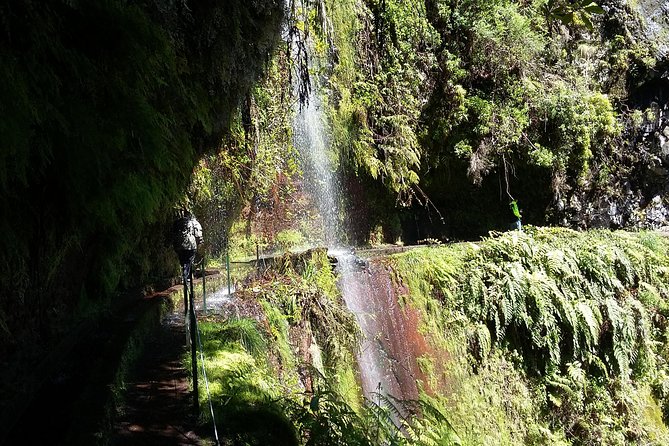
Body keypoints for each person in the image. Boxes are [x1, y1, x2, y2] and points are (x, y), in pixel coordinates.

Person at [172, 212, 203, 314]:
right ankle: (187, 278)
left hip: (179, 246)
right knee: (189, 261)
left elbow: (172, 233)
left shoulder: (178, 222)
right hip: (191, 245)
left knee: (183, 261)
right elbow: (199, 235)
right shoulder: (194, 223)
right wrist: (199, 243)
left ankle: (184, 276)